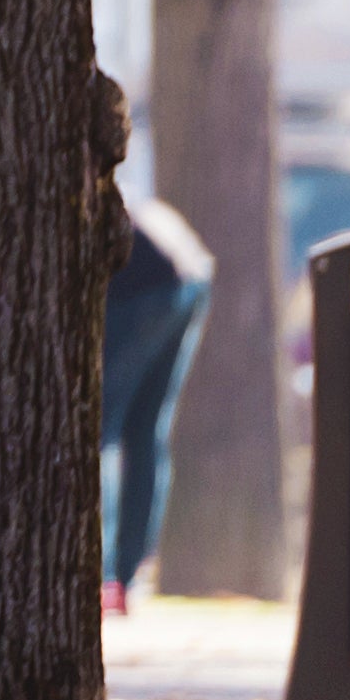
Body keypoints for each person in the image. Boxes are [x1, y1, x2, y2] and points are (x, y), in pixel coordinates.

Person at [100, 188, 216, 614]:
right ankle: (126, 575)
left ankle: (104, 573)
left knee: (101, 427)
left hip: (145, 279)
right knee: (145, 429)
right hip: (187, 270)